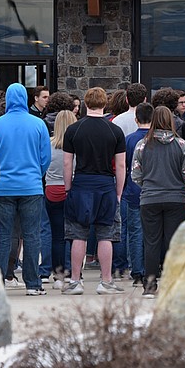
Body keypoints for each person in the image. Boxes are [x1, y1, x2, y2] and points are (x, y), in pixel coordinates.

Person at [0, 83, 51, 296]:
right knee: (32, 235)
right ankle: (33, 283)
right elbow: (45, 159)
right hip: (31, 186)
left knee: (2, 236)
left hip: (2, 187)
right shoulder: (38, 124)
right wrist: (35, 175)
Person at [61, 87, 126, 296]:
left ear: (86, 103)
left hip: (81, 184)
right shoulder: (114, 130)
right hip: (105, 184)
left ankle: (75, 281)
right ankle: (106, 282)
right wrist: (118, 192)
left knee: (78, 234)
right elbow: (121, 165)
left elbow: (67, 163)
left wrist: (68, 187)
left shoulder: (74, 129)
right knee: (105, 234)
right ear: (104, 104)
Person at [131, 106, 185, 298]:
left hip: (150, 198)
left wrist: (148, 186)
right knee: (173, 242)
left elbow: (135, 174)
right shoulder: (181, 145)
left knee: (151, 241)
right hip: (176, 198)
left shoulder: (142, 144)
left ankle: (149, 284)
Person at [44, 109, 77, 286]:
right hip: (71, 189)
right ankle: (73, 271)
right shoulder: (77, 145)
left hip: (51, 189)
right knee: (73, 234)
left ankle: (57, 274)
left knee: (56, 235)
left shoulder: (48, 144)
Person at [122, 103, 153, 286]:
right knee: (152, 233)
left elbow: (125, 164)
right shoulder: (156, 138)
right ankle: (151, 267)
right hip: (153, 189)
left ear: (136, 119)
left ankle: (137, 270)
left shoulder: (129, 140)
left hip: (133, 189)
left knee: (135, 232)